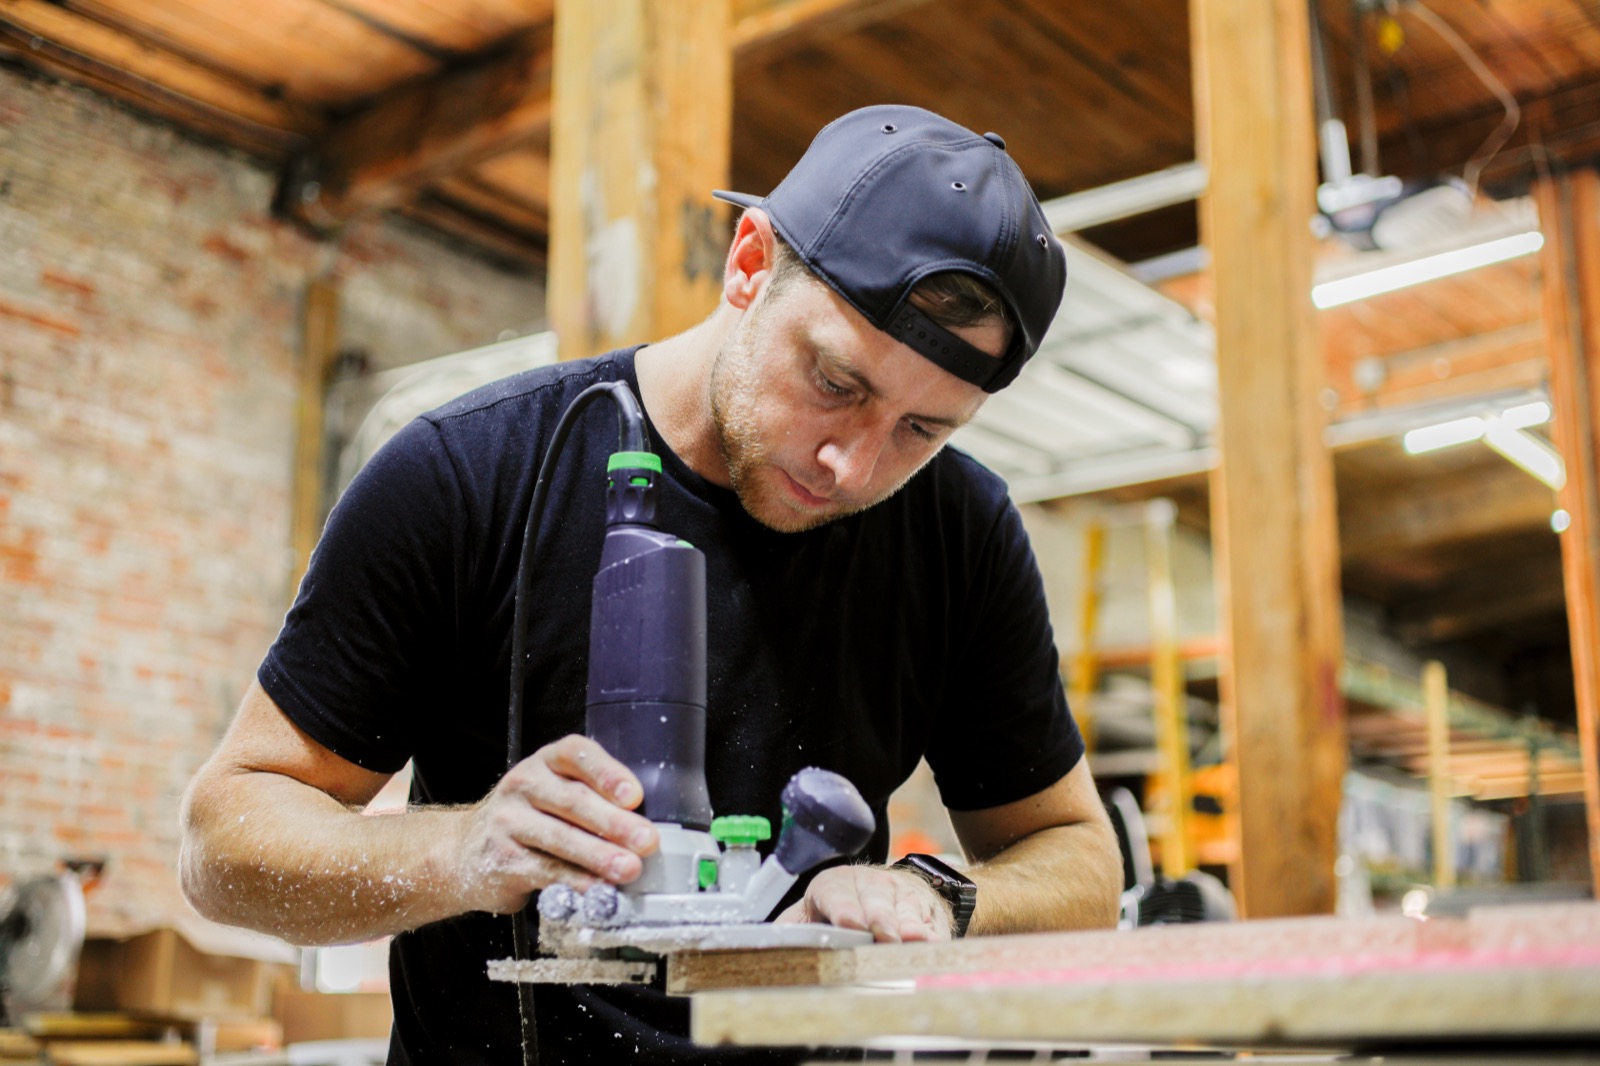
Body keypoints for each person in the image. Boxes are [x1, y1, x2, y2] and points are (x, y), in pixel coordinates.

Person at [180, 104, 1122, 1064]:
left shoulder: (960, 534)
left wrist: (942, 895)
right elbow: (222, 848)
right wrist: (462, 853)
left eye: (924, 432)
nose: (854, 464)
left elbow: (1078, 862)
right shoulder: (469, 474)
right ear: (749, 263)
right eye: (837, 383)